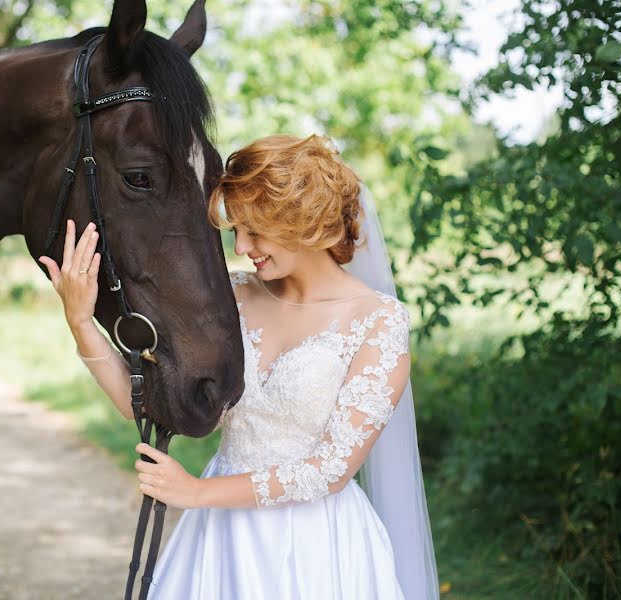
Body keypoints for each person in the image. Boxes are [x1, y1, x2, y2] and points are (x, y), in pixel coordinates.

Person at [40, 134, 439, 599]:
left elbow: (330, 470)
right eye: (236, 231)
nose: (241, 246)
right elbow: (144, 404)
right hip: (223, 538)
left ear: (304, 221)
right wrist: (81, 320)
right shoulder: (230, 297)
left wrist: (194, 494)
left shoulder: (377, 322)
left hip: (315, 546)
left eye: (256, 229)